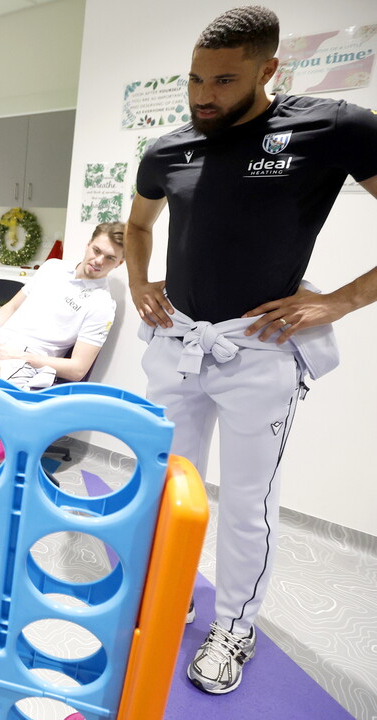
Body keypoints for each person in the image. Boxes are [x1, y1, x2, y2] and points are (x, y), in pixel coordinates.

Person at [125, 6, 377, 696]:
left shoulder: (332, 128)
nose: (203, 95)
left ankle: (235, 623)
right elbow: (138, 225)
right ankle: (170, 592)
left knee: (245, 501)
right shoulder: (170, 148)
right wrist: (138, 280)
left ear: (269, 69)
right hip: (178, 342)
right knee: (168, 487)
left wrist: (339, 301)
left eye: (224, 81)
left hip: (259, 350)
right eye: (195, 80)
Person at [0, 222, 124, 389]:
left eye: (110, 258)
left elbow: (78, 369)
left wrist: (20, 356)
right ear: (88, 245)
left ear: (119, 263)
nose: (99, 261)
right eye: (97, 250)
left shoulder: (102, 304)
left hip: (23, 363)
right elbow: (12, 307)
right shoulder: (52, 267)